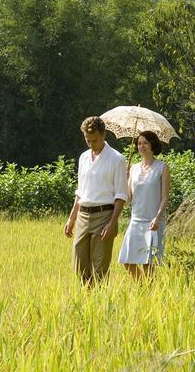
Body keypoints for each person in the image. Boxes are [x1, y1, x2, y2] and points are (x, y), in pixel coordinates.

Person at [64, 116, 128, 285]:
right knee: (79, 266)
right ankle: (85, 304)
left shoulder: (117, 159)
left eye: (95, 140)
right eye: (87, 140)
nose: (91, 144)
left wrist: (112, 223)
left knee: (99, 269)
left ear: (104, 135)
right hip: (83, 216)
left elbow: (121, 196)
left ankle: (99, 305)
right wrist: (72, 218)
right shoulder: (83, 158)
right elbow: (80, 191)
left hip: (104, 216)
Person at [118, 130, 170, 279]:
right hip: (136, 221)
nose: (141, 146)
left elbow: (165, 197)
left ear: (153, 144)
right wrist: (125, 178)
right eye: (139, 143)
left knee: (148, 264)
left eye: (145, 143)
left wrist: (157, 218)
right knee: (127, 261)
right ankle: (143, 288)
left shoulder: (162, 167)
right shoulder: (133, 168)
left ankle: (150, 294)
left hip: (153, 222)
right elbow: (127, 200)